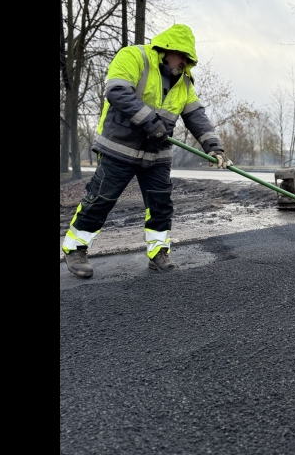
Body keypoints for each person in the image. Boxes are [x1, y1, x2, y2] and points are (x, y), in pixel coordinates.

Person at [62, 24, 233, 278]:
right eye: (182, 56)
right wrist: (151, 122)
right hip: (120, 147)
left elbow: (196, 115)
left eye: (189, 59)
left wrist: (214, 147)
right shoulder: (134, 56)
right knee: (100, 200)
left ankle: (158, 253)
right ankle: (76, 248)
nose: (185, 62)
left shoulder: (184, 81)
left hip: (157, 154)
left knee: (161, 205)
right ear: (167, 50)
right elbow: (117, 91)